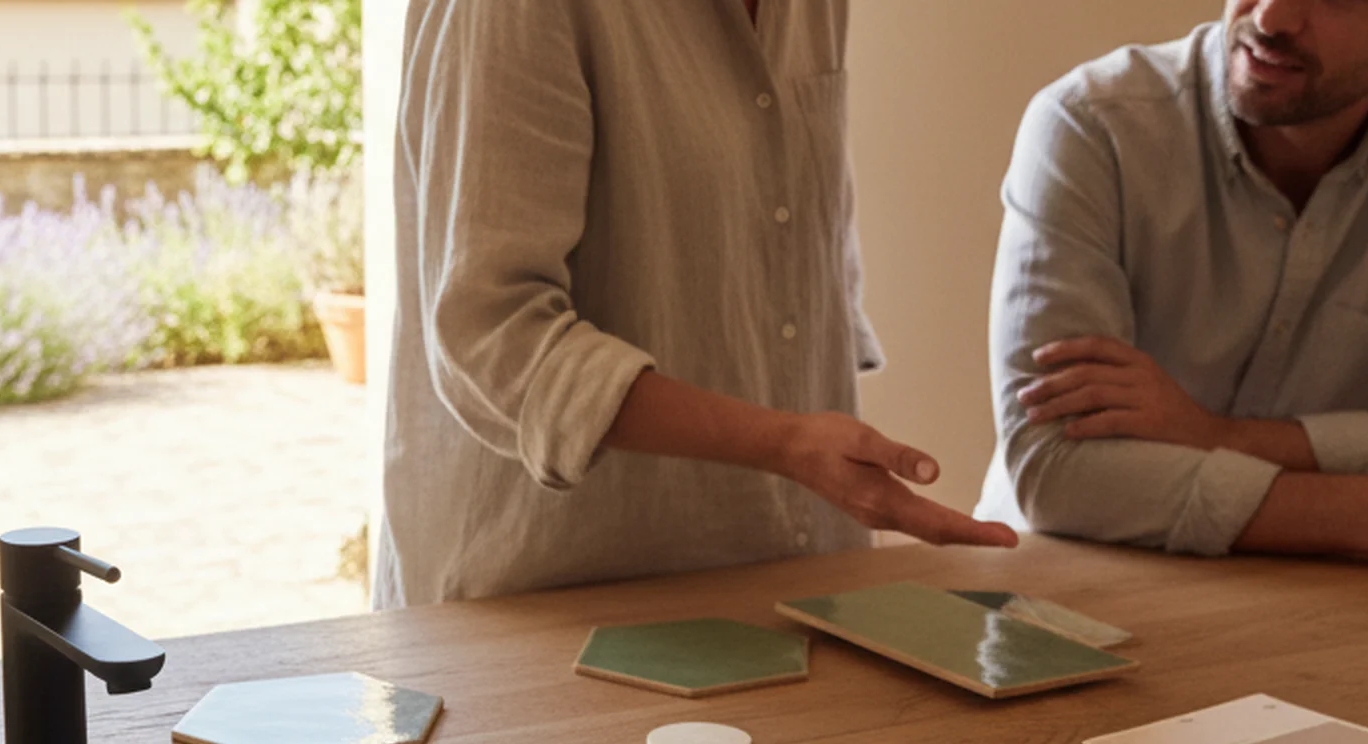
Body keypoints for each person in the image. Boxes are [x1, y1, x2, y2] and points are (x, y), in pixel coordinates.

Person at [380, 0, 1016, 608]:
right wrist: (787, 444)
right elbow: (494, 335)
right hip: (547, 612)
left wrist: (820, 471)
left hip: (793, 590)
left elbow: (798, 259)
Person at [977, 0, 1368, 573]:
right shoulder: (1091, 123)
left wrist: (1222, 438)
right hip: (1069, 580)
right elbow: (1055, 470)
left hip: (1324, 598)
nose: (1271, 16)